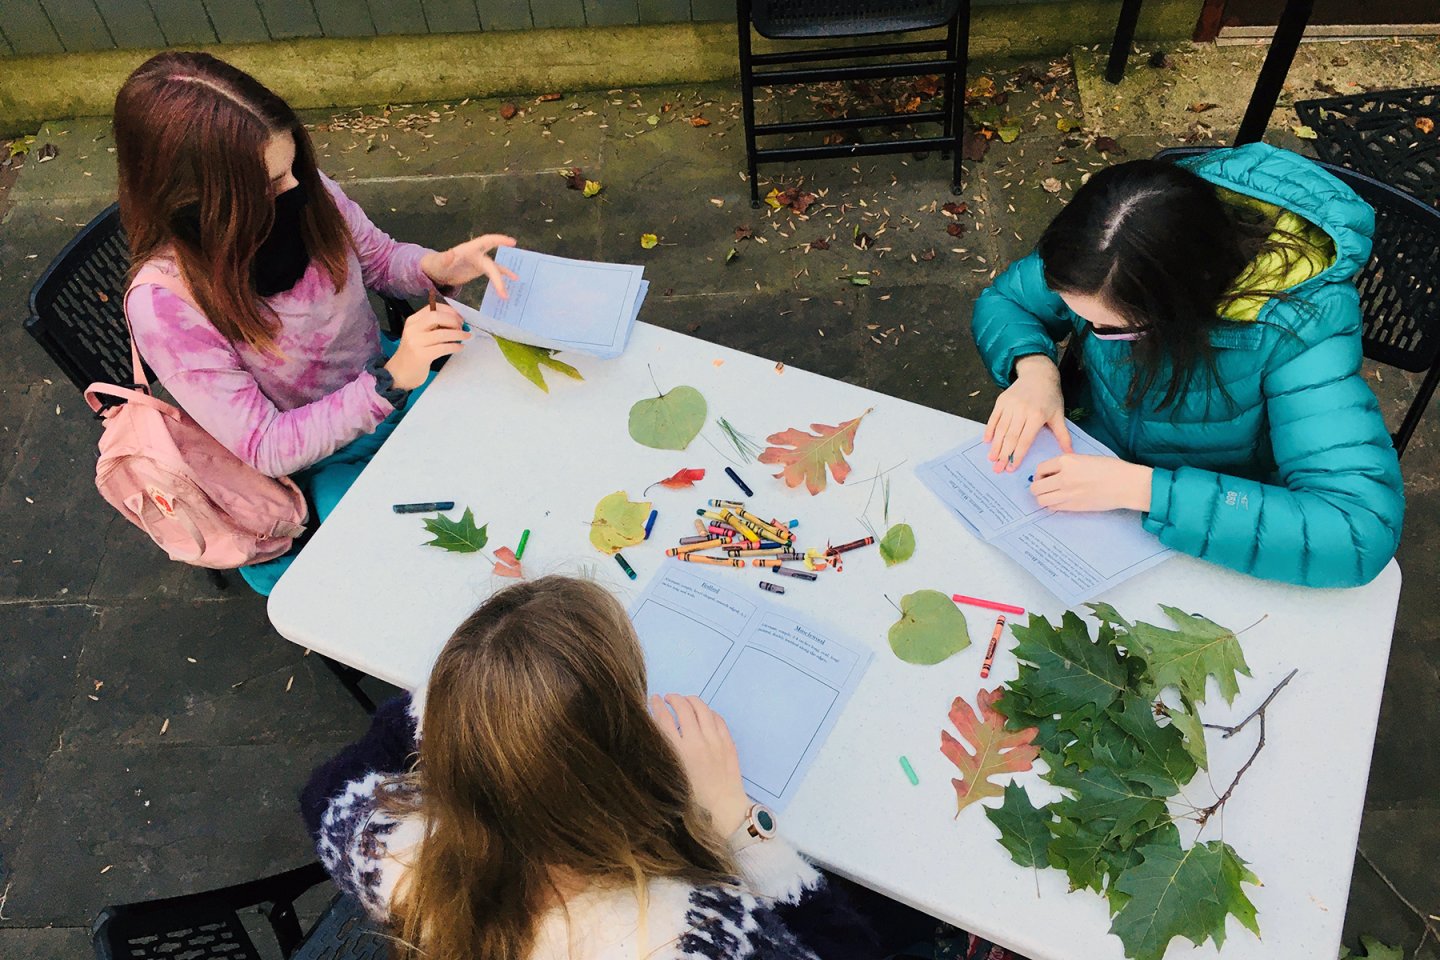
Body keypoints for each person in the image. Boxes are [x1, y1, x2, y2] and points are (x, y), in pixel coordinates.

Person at [301, 576, 978, 960]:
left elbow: (327, 792)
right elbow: (840, 951)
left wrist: (489, 699)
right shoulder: (688, 932)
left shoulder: (401, 854)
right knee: (900, 909)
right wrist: (742, 825)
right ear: (613, 772)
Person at [113, 51, 516, 594]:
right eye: (269, 184)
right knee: (426, 572)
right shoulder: (167, 306)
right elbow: (264, 445)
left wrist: (436, 268)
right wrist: (390, 379)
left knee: (512, 460)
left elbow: (377, 259)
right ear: (200, 201)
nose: (295, 189)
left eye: (292, 167)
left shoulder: (300, 186)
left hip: (393, 386)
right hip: (315, 462)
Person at [970, 143, 1403, 589]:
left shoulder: (1301, 330)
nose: (1087, 330)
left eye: (1110, 327)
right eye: (1077, 315)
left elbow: (1357, 531)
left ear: (1182, 305)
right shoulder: (1105, 246)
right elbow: (1008, 300)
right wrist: (1035, 368)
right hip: (1087, 471)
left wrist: (1146, 491)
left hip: (1210, 514)